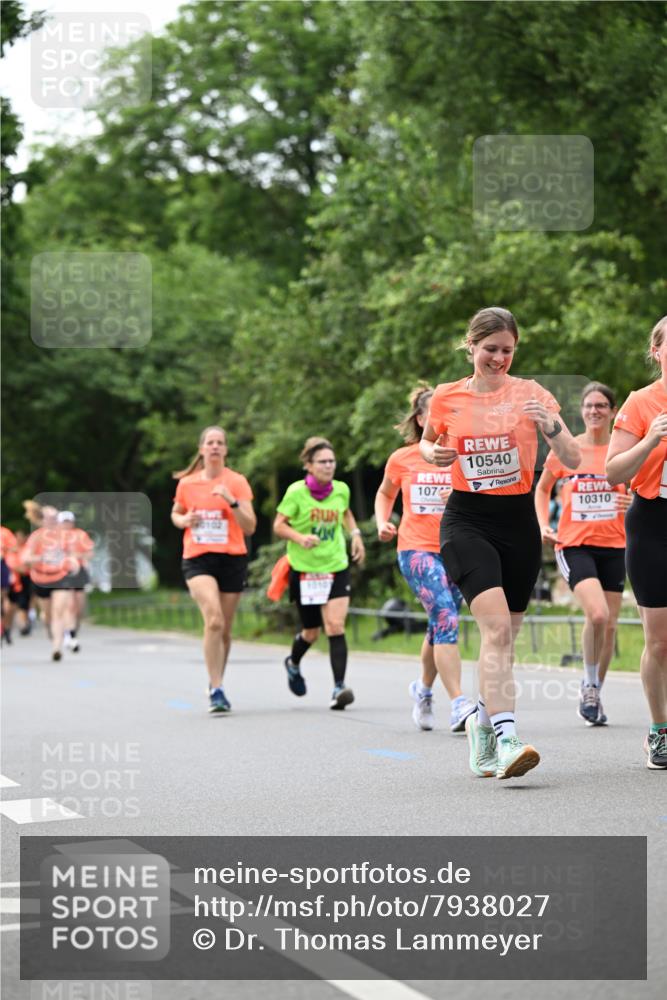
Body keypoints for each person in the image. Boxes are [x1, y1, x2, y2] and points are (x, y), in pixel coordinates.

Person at [420, 306, 581, 779]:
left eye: (507, 351)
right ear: (470, 346)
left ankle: (480, 726)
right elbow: (427, 444)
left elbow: (571, 457)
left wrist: (549, 425)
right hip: (466, 521)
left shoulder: (531, 393)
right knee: (494, 631)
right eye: (490, 349)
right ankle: (508, 738)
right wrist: (435, 453)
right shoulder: (447, 397)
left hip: (518, 524)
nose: (498, 359)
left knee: (504, 641)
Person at [374, 384, 476, 732]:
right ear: (420, 419)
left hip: (456, 549)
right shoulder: (402, 458)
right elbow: (385, 493)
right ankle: (460, 702)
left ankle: (424, 689)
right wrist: (381, 521)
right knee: (446, 617)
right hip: (416, 549)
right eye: (434, 412)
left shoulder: (462, 454)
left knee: (438, 623)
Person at [536, 383, 630, 726]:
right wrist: (544, 524)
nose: (594, 411)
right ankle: (589, 685)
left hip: (615, 545)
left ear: (612, 411)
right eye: (589, 405)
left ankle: (593, 693)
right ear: (582, 410)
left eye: (602, 405)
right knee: (599, 615)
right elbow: (543, 488)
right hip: (574, 545)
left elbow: (643, 488)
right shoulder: (568, 448)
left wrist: (633, 502)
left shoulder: (622, 449)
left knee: (610, 627)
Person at [606, 316, 667, 769]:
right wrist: (649, 440)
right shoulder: (641, 403)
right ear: (656, 351)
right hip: (653, 523)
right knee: (660, 641)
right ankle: (659, 731)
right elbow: (613, 472)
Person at [274, 437, 365, 710]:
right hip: (305, 570)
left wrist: (356, 535)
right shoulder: (295, 493)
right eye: (322, 462)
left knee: (335, 625)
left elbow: (346, 513)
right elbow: (279, 525)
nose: (328, 466)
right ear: (309, 466)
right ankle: (293, 662)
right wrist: (299, 538)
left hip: (335, 566)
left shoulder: (341, 489)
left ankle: (339, 688)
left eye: (331, 461)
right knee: (311, 632)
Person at [172, 425, 256, 714]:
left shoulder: (237, 482)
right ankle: (217, 688)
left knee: (225, 630)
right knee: (214, 620)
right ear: (202, 449)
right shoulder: (187, 484)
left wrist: (231, 501)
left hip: (232, 558)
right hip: (198, 558)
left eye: (220, 442)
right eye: (211, 442)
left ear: (226, 449)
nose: (216, 447)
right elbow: (176, 513)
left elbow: (250, 526)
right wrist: (184, 521)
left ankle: (216, 681)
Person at [22, 507, 80, 660]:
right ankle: (51, 629)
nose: (53, 521)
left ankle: (56, 648)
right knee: (48, 616)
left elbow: (72, 554)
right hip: (41, 579)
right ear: (42, 519)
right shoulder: (36, 537)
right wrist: (41, 558)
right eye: (49, 518)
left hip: (61, 578)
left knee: (58, 612)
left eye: (55, 517)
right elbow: (25, 558)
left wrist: (74, 563)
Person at [56, 511, 94, 651]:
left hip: (79, 571)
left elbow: (90, 553)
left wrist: (78, 555)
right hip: (63, 572)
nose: (67, 524)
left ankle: (72, 631)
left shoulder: (80, 534)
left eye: (69, 521)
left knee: (79, 607)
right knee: (70, 605)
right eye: (64, 521)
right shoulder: (54, 536)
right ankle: (69, 635)